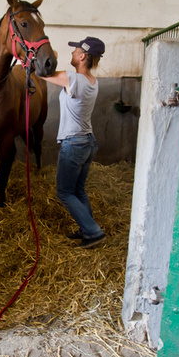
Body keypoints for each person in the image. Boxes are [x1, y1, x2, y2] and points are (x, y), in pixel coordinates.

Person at [41, 36, 107, 248]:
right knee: (78, 190)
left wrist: (48, 58)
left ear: (82, 56)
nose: (71, 53)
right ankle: (85, 228)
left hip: (74, 144)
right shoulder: (92, 81)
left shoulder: (74, 79)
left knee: (64, 192)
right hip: (88, 142)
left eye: (74, 51)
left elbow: (43, 72)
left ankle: (93, 232)